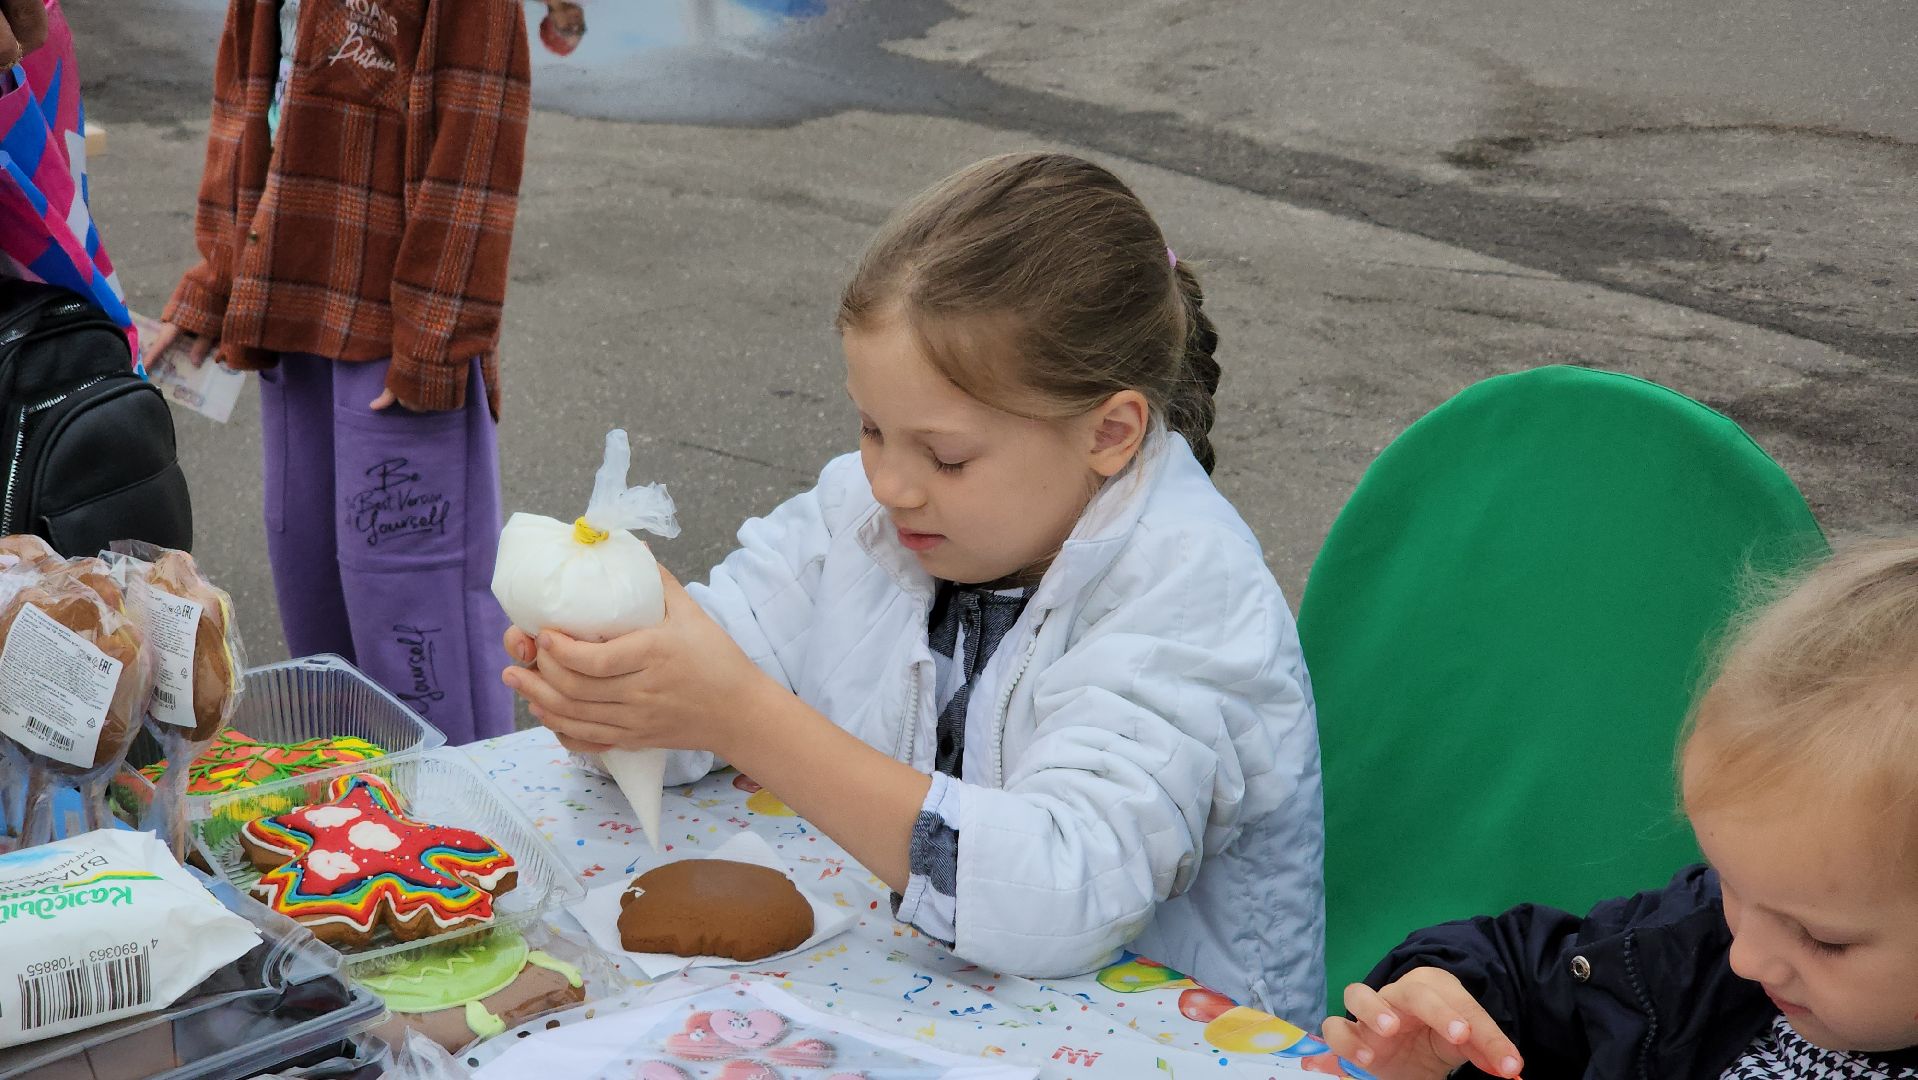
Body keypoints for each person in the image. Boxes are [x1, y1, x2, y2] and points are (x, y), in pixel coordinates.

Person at [502, 151, 1327, 1022]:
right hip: (922, 1007)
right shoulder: (860, 514)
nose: (890, 483)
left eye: (946, 455)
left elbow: (1063, 893)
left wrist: (738, 712)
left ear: (1110, 433)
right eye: (870, 428)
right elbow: (717, 673)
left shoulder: (1193, 596)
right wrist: (621, 690)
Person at [1315, 537, 1918, 1079]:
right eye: (1731, 883)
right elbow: (1527, 970)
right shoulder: (1695, 946)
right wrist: (1445, 1003)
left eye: (1820, 939)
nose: (1746, 957)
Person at [147, 0, 530, 744]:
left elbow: (476, 134)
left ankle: (462, 831)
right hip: (289, 309)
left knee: (417, 617)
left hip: (397, 327)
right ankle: (356, 825)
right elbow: (245, 109)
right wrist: (218, 281)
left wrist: (438, 338)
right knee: (314, 597)